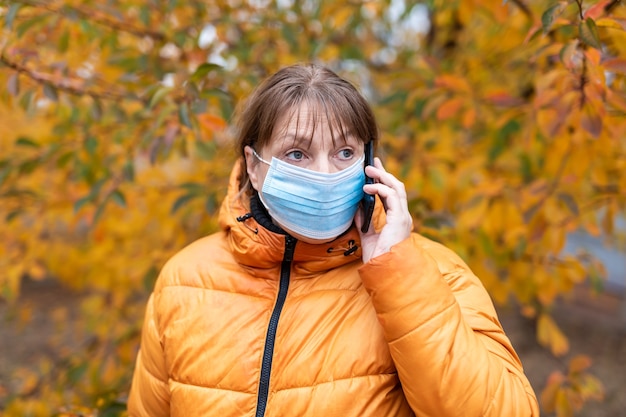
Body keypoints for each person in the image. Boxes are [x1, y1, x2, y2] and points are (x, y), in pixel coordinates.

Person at [127, 63, 539, 416]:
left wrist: (398, 272)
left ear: (369, 162)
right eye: (297, 154)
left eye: (344, 152)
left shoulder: (435, 274)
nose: (325, 174)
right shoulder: (184, 280)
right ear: (254, 166)